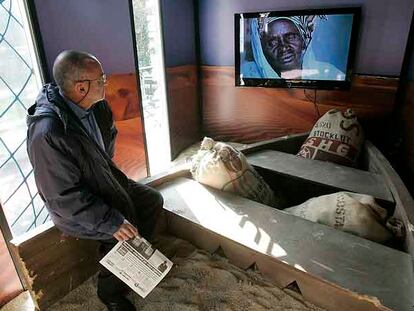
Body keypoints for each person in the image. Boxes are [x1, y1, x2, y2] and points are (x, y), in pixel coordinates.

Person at [26, 50, 163, 311]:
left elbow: (106, 149)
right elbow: (62, 197)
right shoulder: (48, 134)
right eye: (101, 79)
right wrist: (110, 221)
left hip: (103, 181)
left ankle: (134, 260)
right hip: (75, 207)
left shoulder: (96, 105)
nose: (106, 83)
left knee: (151, 200)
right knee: (122, 228)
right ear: (81, 87)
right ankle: (110, 292)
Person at [241, 15, 345, 80]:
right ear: (262, 50)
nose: (283, 48)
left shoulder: (329, 74)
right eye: (273, 42)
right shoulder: (248, 74)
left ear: (304, 41)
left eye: (290, 37)